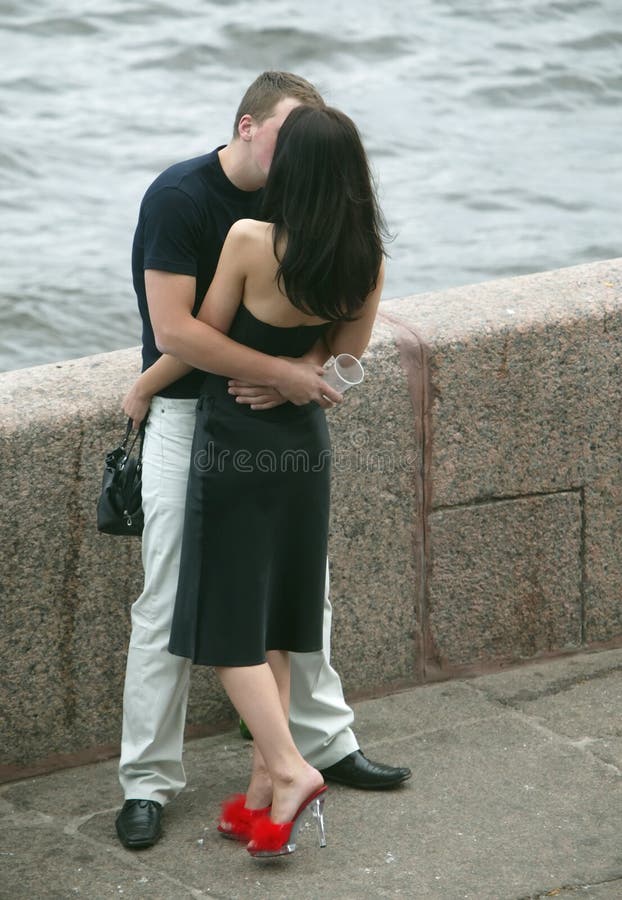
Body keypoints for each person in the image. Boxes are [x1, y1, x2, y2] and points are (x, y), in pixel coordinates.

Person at [116, 72, 410, 852]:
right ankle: (149, 780)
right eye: (287, 133)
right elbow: (175, 330)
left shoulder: (280, 229)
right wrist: (292, 371)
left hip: (261, 421)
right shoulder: (182, 198)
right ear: (248, 127)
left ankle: (309, 752)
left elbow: (326, 357)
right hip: (197, 417)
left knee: (293, 600)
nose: (292, 151)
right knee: (168, 595)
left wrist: (289, 378)